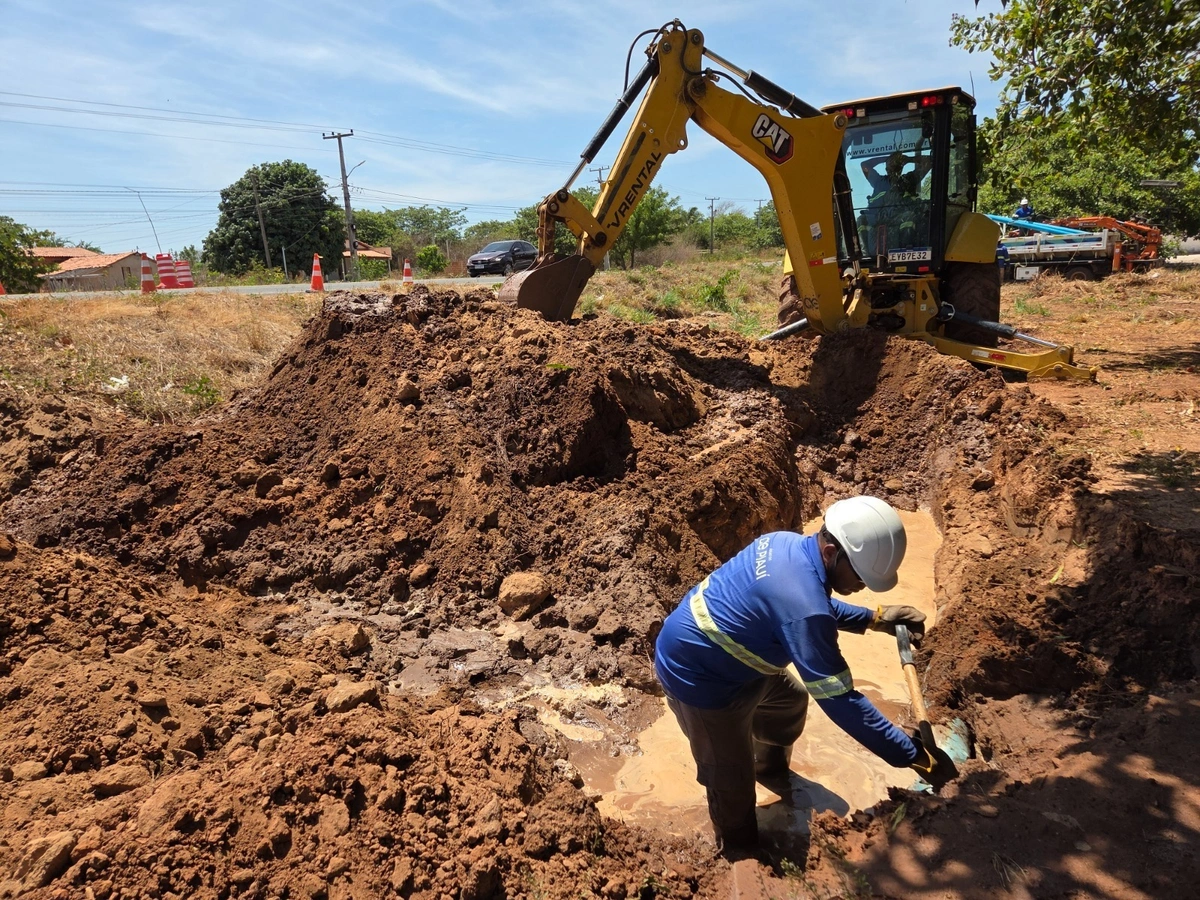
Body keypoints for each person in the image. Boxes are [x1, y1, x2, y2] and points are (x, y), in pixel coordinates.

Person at [654, 496, 955, 855]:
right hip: (699, 678)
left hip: (734, 658)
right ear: (830, 552)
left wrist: (874, 618)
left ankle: (768, 769)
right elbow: (842, 702)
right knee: (730, 778)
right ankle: (739, 849)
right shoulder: (802, 604)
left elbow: (810, 604)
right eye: (860, 576)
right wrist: (913, 755)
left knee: (788, 703)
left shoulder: (788, 544)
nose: (864, 586)